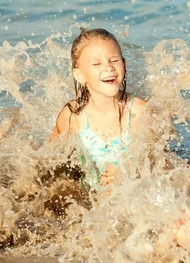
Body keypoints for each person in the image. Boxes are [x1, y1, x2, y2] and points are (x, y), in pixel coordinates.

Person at [50, 28, 146, 191]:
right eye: (97, 63)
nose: (109, 67)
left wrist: (127, 168)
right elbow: (48, 160)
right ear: (80, 76)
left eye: (114, 60)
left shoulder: (139, 111)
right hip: (90, 203)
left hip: (134, 197)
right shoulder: (72, 116)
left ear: (124, 64)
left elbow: (157, 158)